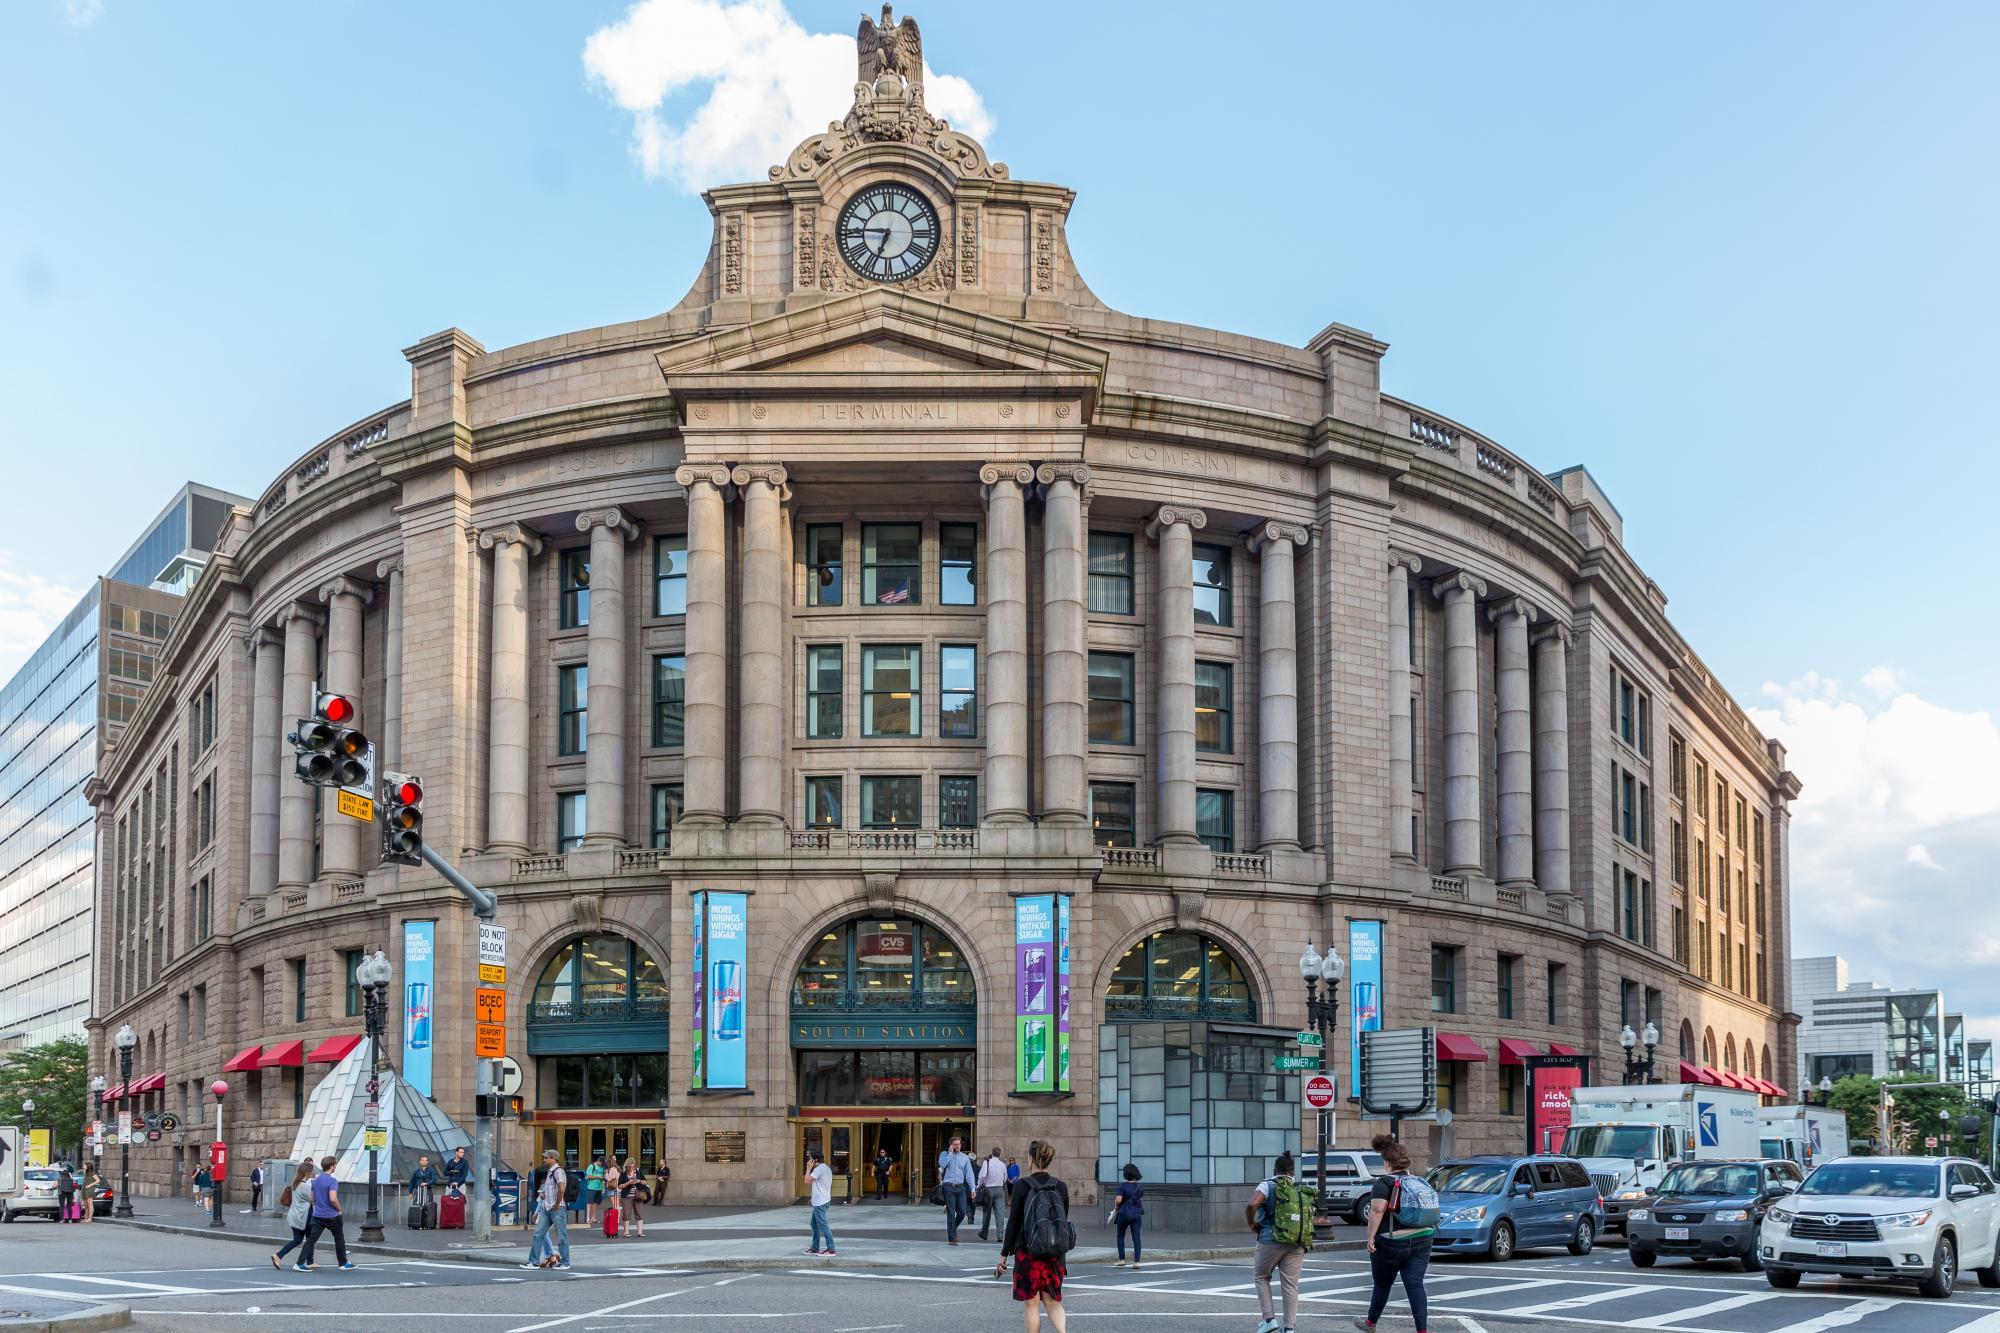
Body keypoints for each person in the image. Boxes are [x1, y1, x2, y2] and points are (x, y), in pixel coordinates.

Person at [1354, 1134, 1435, 1333]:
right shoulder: (1419, 1181)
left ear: (1388, 1163)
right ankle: (1422, 1330)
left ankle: (1371, 1323)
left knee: (1382, 1284)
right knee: (1416, 1285)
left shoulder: (1384, 1183)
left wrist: (1371, 1237)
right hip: (1423, 1237)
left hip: (1392, 1242)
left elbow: (1377, 1210)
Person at [996, 1139, 1070, 1333]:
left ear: (1031, 1158)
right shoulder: (1060, 1186)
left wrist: (1004, 1255)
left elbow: (1013, 1224)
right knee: (1053, 1301)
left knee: (1031, 1304)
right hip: (1054, 1252)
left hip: (1028, 1251)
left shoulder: (1022, 1186)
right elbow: (1063, 1220)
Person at [1247, 1152, 1310, 1333]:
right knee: (1290, 1285)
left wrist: (1252, 1223)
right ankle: (1289, 1328)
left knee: (1261, 1276)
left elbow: (1252, 1204)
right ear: (1292, 1171)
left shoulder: (1267, 1185)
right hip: (1297, 1241)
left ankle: (1269, 1320)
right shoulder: (1298, 1188)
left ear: (1275, 1170)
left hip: (1270, 1239)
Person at [299, 1155, 356, 1271]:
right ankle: (343, 1263)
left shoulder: (316, 1181)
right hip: (332, 1216)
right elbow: (333, 1199)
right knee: (339, 1238)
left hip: (318, 1216)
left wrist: (318, 1207)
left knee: (311, 1240)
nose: (335, 1167)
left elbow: (313, 1199)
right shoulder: (332, 1181)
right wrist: (339, 1209)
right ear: (331, 1166)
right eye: (335, 1165)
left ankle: (299, 1263)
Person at [523, 1149, 572, 1270]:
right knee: (538, 1234)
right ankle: (533, 1261)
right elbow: (551, 1188)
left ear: (553, 1159)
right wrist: (544, 1194)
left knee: (562, 1236)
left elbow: (561, 1189)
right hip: (547, 1208)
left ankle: (565, 1262)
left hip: (556, 1208)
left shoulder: (558, 1171)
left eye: (547, 1157)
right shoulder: (550, 1172)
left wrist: (556, 1203)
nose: (544, 1159)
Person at [272, 1160, 318, 1269]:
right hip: (304, 1216)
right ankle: (308, 1261)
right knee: (310, 1238)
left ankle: (279, 1256)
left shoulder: (295, 1184)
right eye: (312, 1171)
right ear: (307, 1173)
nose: (313, 1173)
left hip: (294, 1215)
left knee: (298, 1239)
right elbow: (313, 1200)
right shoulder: (304, 1186)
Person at [936, 1135, 976, 1244]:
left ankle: (953, 1229)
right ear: (951, 1145)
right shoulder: (944, 1154)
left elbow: (969, 1174)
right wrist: (950, 1153)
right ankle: (952, 1239)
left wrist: (973, 1188)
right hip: (948, 1186)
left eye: (959, 1144)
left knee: (962, 1212)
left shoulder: (964, 1157)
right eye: (955, 1145)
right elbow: (942, 1165)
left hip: (960, 1187)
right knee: (951, 1212)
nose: (958, 1146)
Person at [804, 1147, 837, 1256]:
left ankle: (831, 1249)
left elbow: (807, 1180)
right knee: (814, 1224)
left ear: (814, 1160)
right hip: (821, 1200)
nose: (808, 1161)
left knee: (823, 1225)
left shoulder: (819, 1169)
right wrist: (813, 1199)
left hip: (821, 1202)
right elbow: (821, 1185)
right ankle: (815, 1248)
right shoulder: (825, 1168)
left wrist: (808, 1168)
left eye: (810, 1159)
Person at [1111, 1163, 1144, 1268]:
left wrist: (1116, 1205)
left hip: (1124, 1214)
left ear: (1126, 1174)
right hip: (1137, 1214)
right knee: (1136, 1237)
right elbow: (1140, 1199)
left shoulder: (1123, 1186)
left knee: (1120, 1236)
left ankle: (1122, 1260)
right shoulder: (1139, 1186)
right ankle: (1137, 1261)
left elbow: (1118, 1199)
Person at [976, 1147, 1009, 1241]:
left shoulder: (987, 1162)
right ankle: (1000, 1235)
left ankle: (984, 1233)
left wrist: (979, 1185)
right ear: (1000, 1154)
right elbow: (1005, 1178)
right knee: (1000, 1213)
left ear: (992, 1153)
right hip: (999, 1189)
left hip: (988, 1189)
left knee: (987, 1212)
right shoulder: (1002, 1164)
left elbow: (982, 1176)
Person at [622, 1163, 650, 1238]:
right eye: (630, 1166)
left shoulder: (638, 1172)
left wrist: (639, 1181)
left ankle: (640, 1232)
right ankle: (626, 1232)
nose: (632, 1168)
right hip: (627, 1196)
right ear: (626, 1167)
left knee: (639, 1213)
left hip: (638, 1196)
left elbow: (645, 1182)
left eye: (633, 1166)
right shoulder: (623, 1174)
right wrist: (628, 1183)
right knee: (626, 1214)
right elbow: (620, 1186)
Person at [584, 1152, 606, 1225]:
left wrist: (603, 1178)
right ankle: (587, 1218)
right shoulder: (592, 1166)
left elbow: (603, 1175)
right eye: (601, 1163)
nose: (602, 1165)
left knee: (596, 1203)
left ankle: (593, 1217)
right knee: (589, 1202)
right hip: (591, 1187)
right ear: (598, 1161)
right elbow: (588, 1176)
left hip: (599, 1187)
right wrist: (598, 1177)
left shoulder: (602, 1167)